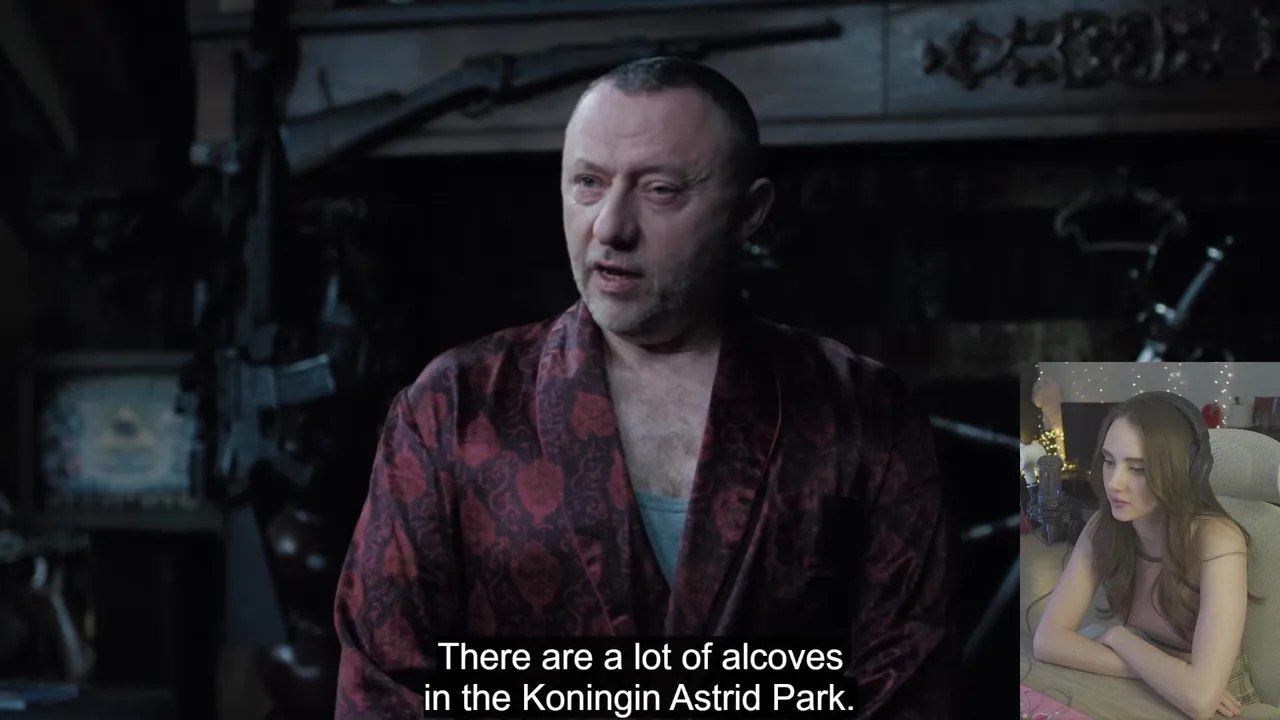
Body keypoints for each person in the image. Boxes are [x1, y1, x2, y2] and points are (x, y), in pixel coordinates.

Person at [333, 56, 954, 719]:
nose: (610, 227)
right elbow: (382, 685)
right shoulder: (455, 405)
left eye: (660, 190)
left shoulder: (860, 411)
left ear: (749, 211)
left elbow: (906, 682)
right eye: (588, 183)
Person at [1032, 391, 1261, 719]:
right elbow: (1047, 641)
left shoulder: (1218, 541)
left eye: (1137, 469)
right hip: (1149, 679)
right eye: (1109, 461)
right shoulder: (1103, 526)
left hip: (1225, 699)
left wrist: (1119, 637)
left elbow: (1200, 699)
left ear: (1184, 471)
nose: (1114, 483)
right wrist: (1159, 671)